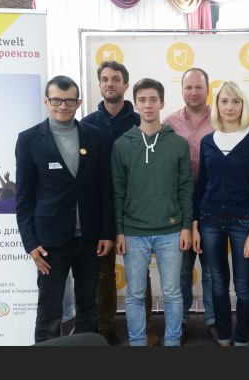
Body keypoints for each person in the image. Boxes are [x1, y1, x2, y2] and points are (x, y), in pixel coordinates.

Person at [15, 75, 113, 343]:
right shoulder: (29, 139)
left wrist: (106, 232)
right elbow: (23, 197)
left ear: (78, 103)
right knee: (49, 309)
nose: (63, 106)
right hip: (49, 242)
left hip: (90, 239)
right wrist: (30, 243)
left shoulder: (95, 136)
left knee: (88, 305)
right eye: (57, 100)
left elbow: (105, 188)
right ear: (46, 101)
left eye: (69, 101)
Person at [81, 60, 159, 346]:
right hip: (99, 208)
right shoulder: (87, 124)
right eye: (104, 79)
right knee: (102, 273)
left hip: (135, 207)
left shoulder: (141, 121)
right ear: (99, 84)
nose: (109, 84)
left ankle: (145, 327)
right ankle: (105, 328)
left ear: (126, 85)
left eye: (115, 79)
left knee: (138, 272)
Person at [112, 78, 193, 346]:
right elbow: (117, 192)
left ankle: (172, 341)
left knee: (172, 293)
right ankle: (138, 342)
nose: (148, 105)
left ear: (162, 103)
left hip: (171, 230)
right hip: (134, 232)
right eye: (142, 100)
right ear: (135, 104)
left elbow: (185, 188)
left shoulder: (178, 144)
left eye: (153, 100)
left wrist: (185, 226)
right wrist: (119, 230)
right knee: (135, 294)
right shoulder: (122, 145)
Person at [193, 81, 249, 346]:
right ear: (217, 105)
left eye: (235, 101)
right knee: (217, 283)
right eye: (224, 101)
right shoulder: (207, 142)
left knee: (244, 287)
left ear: (243, 105)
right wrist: (195, 223)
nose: (229, 107)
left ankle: (242, 339)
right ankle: (224, 336)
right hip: (210, 222)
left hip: (244, 224)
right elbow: (201, 185)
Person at [163, 67, 217, 344]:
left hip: (213, 206)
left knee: (212, 270)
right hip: (180, 207)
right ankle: (180, 321)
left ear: (208, 89)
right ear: (182, 90)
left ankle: (215, 321)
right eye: (188, 87)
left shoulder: (221, 119)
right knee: (182, 271)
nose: (193, 92)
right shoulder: (169, 123)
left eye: (198, 87)